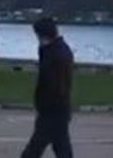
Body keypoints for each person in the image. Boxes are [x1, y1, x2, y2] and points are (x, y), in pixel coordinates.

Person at [21, 17, 74, 158]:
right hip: (57, 109)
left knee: (35, 148)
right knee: (61, 147)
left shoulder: (55, 54)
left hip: (53, 109)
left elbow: (55, 84)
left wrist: (45, 105)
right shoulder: (55, 50)